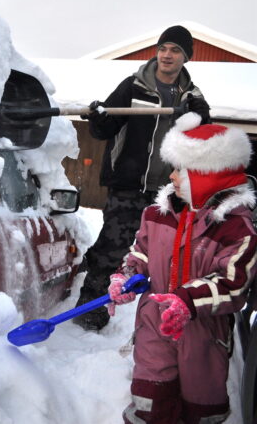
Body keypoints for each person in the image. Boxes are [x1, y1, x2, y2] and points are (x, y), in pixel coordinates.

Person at [109, 112, 257, 424]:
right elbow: (142, 253)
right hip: (154, 323)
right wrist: (127, 276)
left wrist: (186, 301)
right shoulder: (156, 215)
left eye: (182, 170)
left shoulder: (236, 230)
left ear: (209, 173)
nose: (173, 177)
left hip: (204, 333)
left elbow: (233, 285)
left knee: (201, 407)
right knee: (150, 399)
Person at [74, 25, 212, 331]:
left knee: (166, 258)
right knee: (112, 250)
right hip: (128, 185)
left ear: (185, 57)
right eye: (163, 48)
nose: (167, 55)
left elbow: (204, 135)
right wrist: (99, 117)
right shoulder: (133, 87)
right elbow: (104, 130)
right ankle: (88, 314)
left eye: (175, 50)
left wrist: (196, 116)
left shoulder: (192, 96)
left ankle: (161, 321)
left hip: (168, 192)